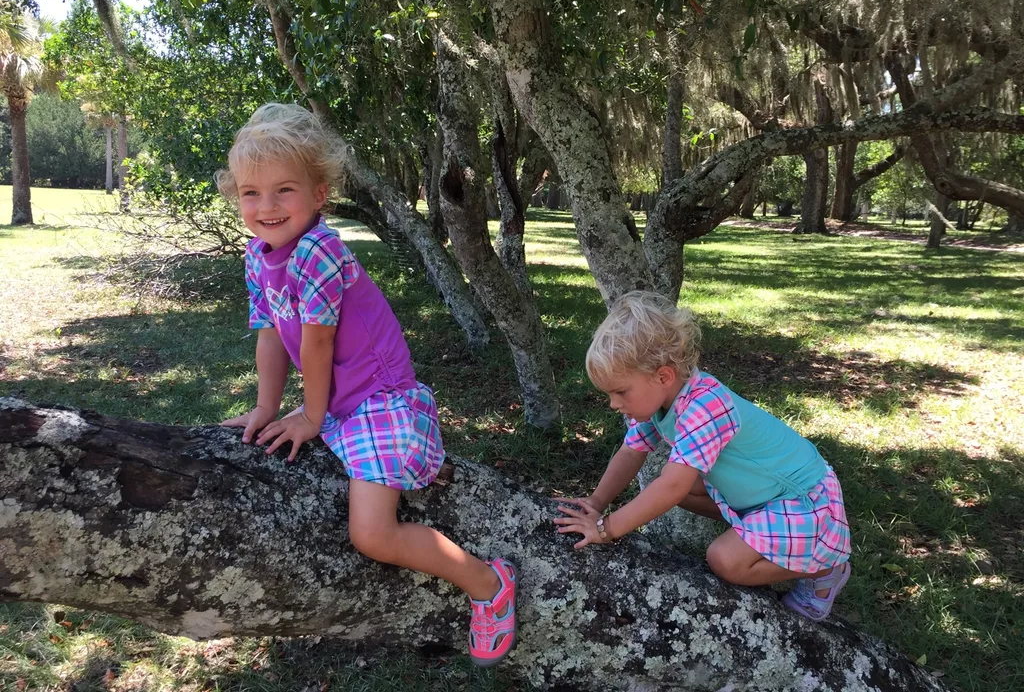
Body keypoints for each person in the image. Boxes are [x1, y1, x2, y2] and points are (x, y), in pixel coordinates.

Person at [217, 103, 516, 664]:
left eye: (284, 190)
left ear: (320, 192)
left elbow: (317, 343)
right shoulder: (259, 258)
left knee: (371, 536)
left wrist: (308, 416)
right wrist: (265, 406)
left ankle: (488, 584)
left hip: (379, 404)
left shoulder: (319, 251)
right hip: (340, 403)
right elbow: (270, 335)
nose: (266, 206)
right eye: (251, 193)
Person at [555, 290, 851, 621]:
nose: (613, 404)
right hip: (765, 496)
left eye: (621, 392)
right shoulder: (662, 401)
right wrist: (595, 503)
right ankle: (766, 538)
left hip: (803, 499)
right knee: (681, 487)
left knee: (725, 560)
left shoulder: (704, 405)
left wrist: (607, 528)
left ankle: (824, 569)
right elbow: (631, 450)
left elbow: (671, 488)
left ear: (663, 376)